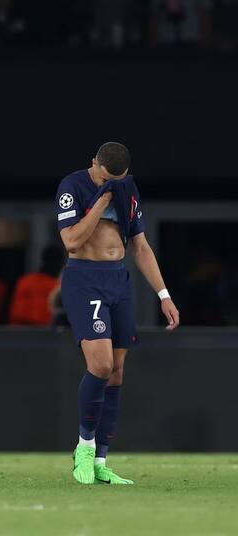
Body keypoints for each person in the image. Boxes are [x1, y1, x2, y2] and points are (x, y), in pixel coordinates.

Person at [56, 142, 180, 485]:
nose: (109, 182)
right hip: (85, 278)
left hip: (118, 280)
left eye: (117, 179)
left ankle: (100, 461)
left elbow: (139, 246)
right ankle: (83, 446)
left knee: (117, 372)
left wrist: (163, 295)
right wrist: (100, 204)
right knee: (100, 364)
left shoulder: (127, 188)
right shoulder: (73, 185)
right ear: (93, 163)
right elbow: (71, 241)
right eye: (105, 176)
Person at [9, 245, 64, 326]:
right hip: (43, 333)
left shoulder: (24, 281)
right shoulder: (56, 287)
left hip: (17, 331)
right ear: (58, 264)